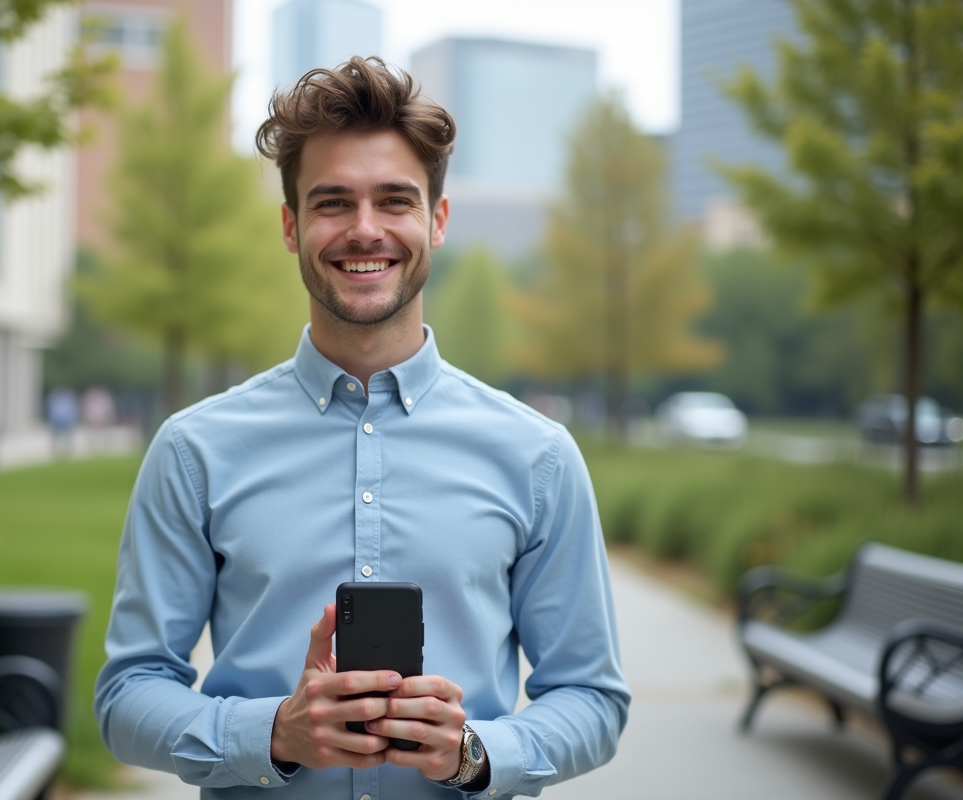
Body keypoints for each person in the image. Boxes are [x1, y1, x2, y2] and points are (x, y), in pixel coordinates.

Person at [95, 57, 629, 799]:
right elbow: (128, 695)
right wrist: (272, 735)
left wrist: (474, 752)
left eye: (395, 200)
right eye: (333, 202)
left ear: (437, 221)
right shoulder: (195, 451)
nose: (365, 229)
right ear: (292, 226)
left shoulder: (537, 456)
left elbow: (594, 700)